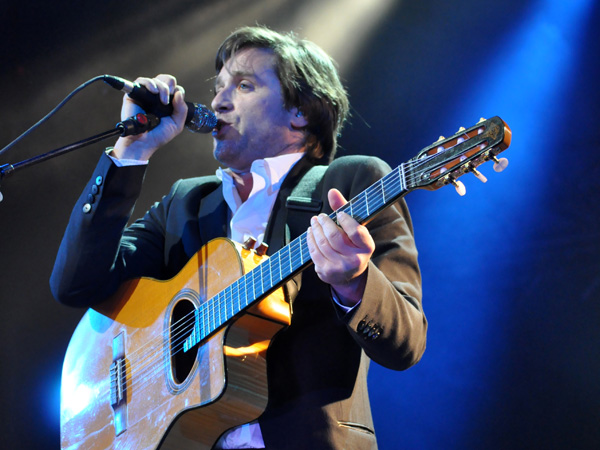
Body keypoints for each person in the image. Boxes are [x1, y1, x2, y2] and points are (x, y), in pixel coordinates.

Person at [51, 26, 427, 449]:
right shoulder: (187, 203)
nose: (217, 101)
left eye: (244, 85)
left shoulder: (351, 183)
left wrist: (354, 282)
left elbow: (407, 342)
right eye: (220, 86)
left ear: (300, 110)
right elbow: (75, 283)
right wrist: (130, 151)